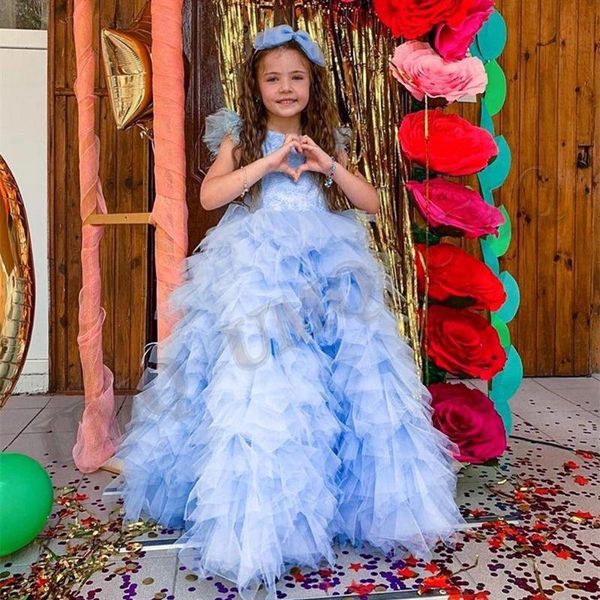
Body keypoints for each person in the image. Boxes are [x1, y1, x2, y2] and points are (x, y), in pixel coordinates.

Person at [113, 24, 467, 600]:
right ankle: (263, 519)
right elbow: (210, 197)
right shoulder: (241, 134)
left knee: (347, 381)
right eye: (273, 78)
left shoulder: (328, 136)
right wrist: (270, 163)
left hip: (329, 272)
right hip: (258, 273)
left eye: (296, 77)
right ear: (255, 86)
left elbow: (374, 203)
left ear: (312, 85)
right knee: (265, 384)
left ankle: (339, 506)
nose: (285, 88)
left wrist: (328, 163)